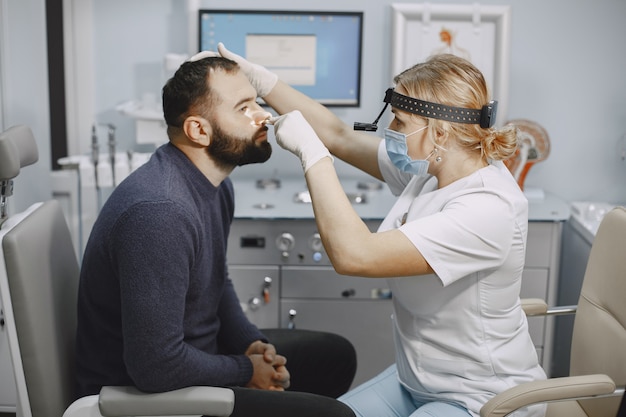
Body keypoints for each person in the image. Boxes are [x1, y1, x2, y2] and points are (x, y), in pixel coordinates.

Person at [215, 43, 547, 417]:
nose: (390, 129)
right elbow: (338, 135)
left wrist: (311, 154)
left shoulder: (486, 209)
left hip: (480, 396)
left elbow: (354, 255)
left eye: (400, 122)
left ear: (440, 133)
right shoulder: (433, 171)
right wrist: (263, 82)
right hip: (416, 381)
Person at [75, 56, 357, 417]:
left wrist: (250, 344)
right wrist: (244, 371)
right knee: (337, 415)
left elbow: (216, 282)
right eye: (243, 108)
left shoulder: (214, 185)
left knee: (334, 357)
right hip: (144, 398)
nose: (264, 116)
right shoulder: (160, 212)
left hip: (196, 357)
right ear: (199, 131)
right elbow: (154, 367)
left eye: (256, 101)